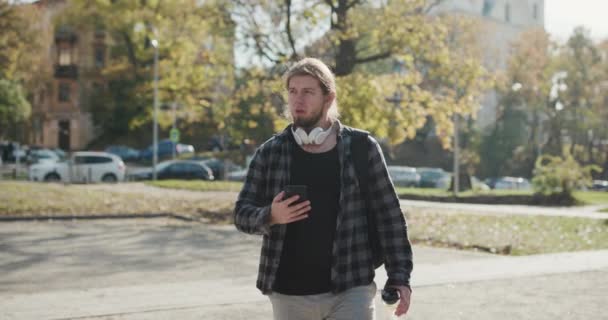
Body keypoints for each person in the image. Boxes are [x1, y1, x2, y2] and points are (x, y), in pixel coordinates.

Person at [234, 57, 413, 320]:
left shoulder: (362, 148)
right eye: (293, 92)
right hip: (289, 292)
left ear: (328, 98)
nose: (298, 100)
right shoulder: (270, 153)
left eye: (308, 92)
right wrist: (270, 215)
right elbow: (241, 214)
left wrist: (400, 276)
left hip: (352, 287)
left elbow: (389, 216)